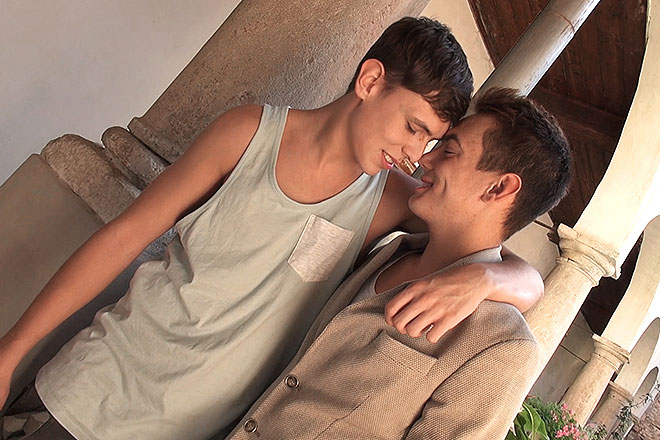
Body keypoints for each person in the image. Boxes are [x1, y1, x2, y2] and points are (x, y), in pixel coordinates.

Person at [0, 18, 542, 440]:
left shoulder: (392, 199)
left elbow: (507, 261)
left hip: (202, 430)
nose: (415, 154)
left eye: (430, 142)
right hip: (99, 388)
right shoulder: (249, 133)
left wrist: (483, 281)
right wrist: (10, 352)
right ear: (371, 80)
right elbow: (123, 237)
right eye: (412, 127)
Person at [224, 88, 573, 440]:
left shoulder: (500, 345)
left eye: (449, 151)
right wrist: (485, 276)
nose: (426, 158)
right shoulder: (390, 252)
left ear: (499, 188)